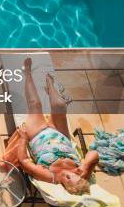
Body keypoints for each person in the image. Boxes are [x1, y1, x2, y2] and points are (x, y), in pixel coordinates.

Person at [14, 57, 98, 195]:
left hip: (38, 135)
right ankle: (50, 86)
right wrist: (85, 167)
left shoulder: (50, 177)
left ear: (66, 187)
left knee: (35, 104)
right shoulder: (81, 172)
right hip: (60, 133)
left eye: (69, 179)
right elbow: (94, 154)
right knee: (60, 106)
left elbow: (24, 162)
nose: (69, 174)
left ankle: (27, 73)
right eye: (74, 176)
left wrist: (23, 138)